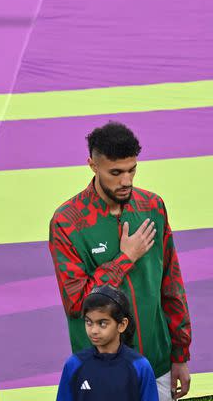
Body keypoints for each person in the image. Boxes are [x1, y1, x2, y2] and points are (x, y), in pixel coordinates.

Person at [49, 121, 192, 400]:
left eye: (132, 170)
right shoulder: (67, 222)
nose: (126, 181)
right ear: (92, 165)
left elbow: (172, 285)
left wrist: (180, 355)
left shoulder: (153, 207)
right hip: (97, 368)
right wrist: (125, 259)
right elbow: (78, 302)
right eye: (115, 172)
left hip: (156, 364)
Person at [56, 285, 158, 401]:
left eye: (102, 324)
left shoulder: (140, 366)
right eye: (89, 322)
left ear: (122, 325)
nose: (94, 330)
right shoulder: (74, 364)